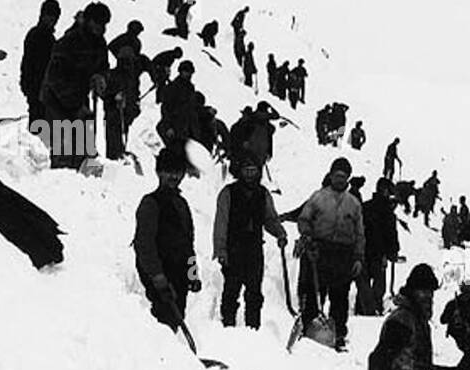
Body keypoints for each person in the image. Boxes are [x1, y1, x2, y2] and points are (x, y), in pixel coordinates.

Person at [296, 156, 365, 351]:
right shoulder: (318, 197)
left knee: (340, 296)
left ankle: (338, 333)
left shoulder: (354, 203)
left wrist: (358, 257)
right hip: (319, 251)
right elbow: (304, 219)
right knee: (314, 292)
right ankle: (310, 328)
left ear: (348, 178)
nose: (339, 179)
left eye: (343, 176)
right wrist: (308, 236)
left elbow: (360, 233)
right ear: (331, 175)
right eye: (337, 175)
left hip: (343, 254)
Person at [212, 151, 288, 329]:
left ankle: (253, 328)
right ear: (240, 171)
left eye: (253, 170)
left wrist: (280, 233)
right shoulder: (228, 193)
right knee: (231, 290)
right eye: (246, 170)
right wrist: (220, 250)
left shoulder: (263, 194)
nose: (250, 174)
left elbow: (270, 219)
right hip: (233, 249)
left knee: (254, 292)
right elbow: (220, 224)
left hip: (254, 250)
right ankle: (227, 326)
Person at [133, 146, 199, 329]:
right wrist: (158, 277)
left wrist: (192, 273)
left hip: (179, 270)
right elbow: (144, 245)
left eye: (178, 172)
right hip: (159, 270)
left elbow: (188, 243)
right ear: (159, 173)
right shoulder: (150, 204)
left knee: (177, 316)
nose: (174, 177)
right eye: (168, 172)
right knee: (163, 318)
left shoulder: (182, 204)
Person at [40, 1, 110, 168]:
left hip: (80, 97)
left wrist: (101, 77)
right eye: (97, 22)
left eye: (104, 23)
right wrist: (75, 106)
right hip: (57, 100)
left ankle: (78, 173)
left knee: (81, 146)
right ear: (88, 21)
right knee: (63, 147)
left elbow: (103, 66)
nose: (101, 27)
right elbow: (55, 78)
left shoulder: (99, 43)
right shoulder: (69, 42)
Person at [360, 176, 400, 316]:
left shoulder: (365, 207)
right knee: (379, 284)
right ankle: (375, 309)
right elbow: (391, 234)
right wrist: (393, 252)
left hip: (363, 251)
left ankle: (362, 308)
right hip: (378, 253)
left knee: (363, 283)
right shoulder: (387, 212)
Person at [21, 0, 61, 126]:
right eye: (49, 16)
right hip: (36, 87)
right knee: (38, 127)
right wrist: (28, 86)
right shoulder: (36, 35)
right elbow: (27, 63)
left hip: (46, 89)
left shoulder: (49, 37)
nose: (51, 21)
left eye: (54, 18)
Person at [101, 42, 142, 160]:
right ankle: (114, 161)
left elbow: (135, 93)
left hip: (127, 114)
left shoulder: (132, 78)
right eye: (127, 60)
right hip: (114, 114)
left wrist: (135, 105)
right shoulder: (112, 75)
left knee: (126, 140)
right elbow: (104, 93)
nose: (129, 63)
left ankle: (123, 158)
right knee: (114, 142)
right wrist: (115, 96)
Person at [157, 60, 201, 147]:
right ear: (181, 72)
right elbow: (166, 108)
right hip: (175, 126)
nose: (188, 74)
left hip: (189, 127)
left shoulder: (190, 88)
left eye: (190, 72)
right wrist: (168, 126)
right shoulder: (173, 87)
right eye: (186, 72)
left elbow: (193, 107)